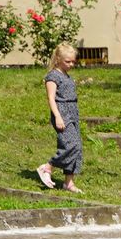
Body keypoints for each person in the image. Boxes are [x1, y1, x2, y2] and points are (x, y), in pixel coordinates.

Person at [36, 44, 83, 193]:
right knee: (71, 145)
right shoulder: (53, 76)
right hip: (61, 112)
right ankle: (47, 167)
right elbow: (51, 98)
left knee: (77, 147)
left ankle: (69, 183)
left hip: (72, 113)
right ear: (58, 59)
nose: (71, 65)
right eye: (67, 61)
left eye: (73, 62)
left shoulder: (67, 76)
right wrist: (58, 117)